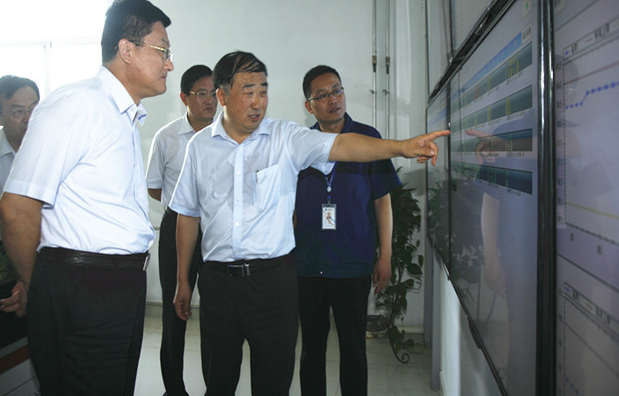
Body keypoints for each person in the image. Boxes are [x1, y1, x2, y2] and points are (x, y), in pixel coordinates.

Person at [170, 50, 449, 395]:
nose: (258, 102)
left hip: (273, 283)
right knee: (219, 380)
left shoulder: (286, 138)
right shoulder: (199, 147)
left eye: (263, 90)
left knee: (274, 382)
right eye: (248, 91)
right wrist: (183, 280)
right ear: (223, 96)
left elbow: (344, 145)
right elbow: (188, 214)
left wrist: (403, 147)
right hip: (218, 284)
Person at [0, 0, 173, 395]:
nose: (169, 64)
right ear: (127, 50)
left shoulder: (122, 115)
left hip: (117, 285)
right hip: (85, 286)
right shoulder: (79, 104)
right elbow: (17, 209)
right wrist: (38, 284)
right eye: (163, 51)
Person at [294, 65, 401, 395]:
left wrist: (385, 256)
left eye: (337, 90)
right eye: (323, 95)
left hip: (352, 263)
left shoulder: (368, 139)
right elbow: (290, 208)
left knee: (354, 350)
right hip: (308, 264)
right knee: (312, 349)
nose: (333, 99)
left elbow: (382, 201)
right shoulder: (301, 144)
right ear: (309, 105)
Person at [146, 64, 216, 396]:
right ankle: (174, 389)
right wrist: (184, 206)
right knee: (175, 312)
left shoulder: (228, 134)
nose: (209, 100)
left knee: (215, 315)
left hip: (216, 231)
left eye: (214, 93)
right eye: (201, 93)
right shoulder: (167, 137)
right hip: (177, 228)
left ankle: (215, 386)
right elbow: (153, 186)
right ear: (184, 97)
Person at [0, 75, 39, 315]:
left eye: (34, 109)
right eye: (18, 112)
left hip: (50, 260)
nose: (28, 118)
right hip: (4, 264)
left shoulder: (52, 148)